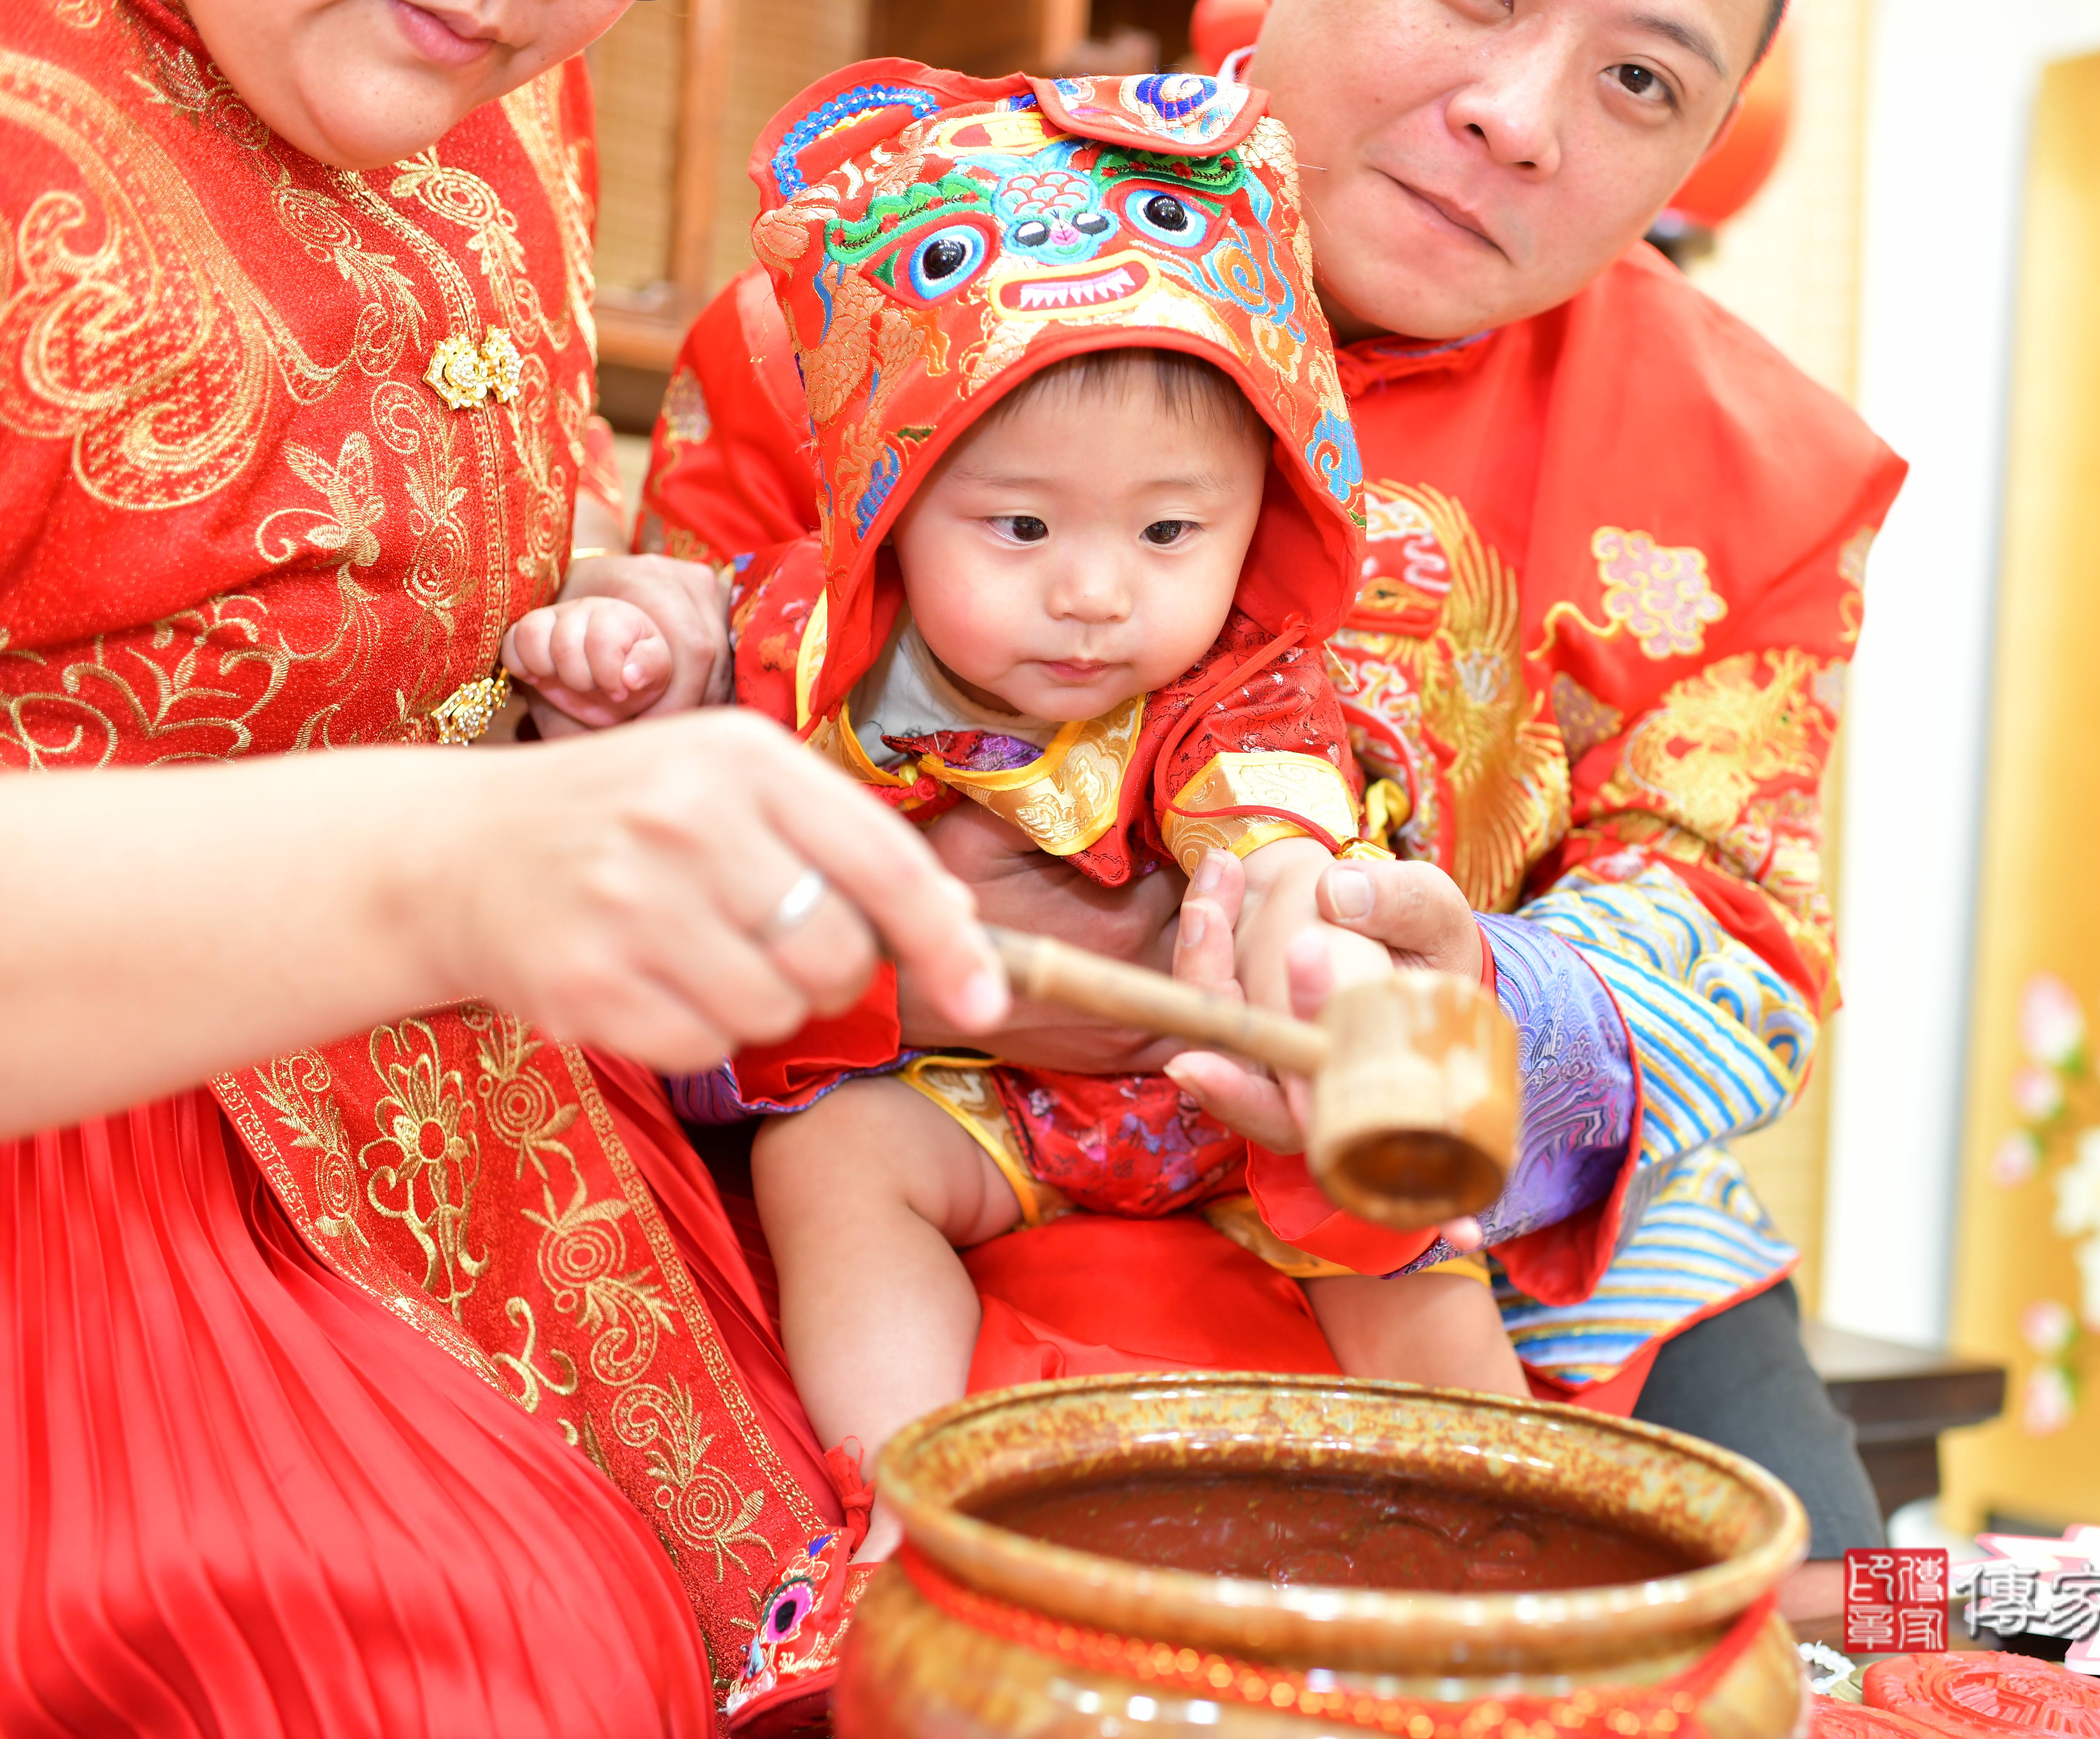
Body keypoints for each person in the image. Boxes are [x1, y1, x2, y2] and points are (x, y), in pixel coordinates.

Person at [634, 0, 1902, 1654]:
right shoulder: (901, 246)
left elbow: (1736, 937)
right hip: (889, 1174)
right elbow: (629, 793)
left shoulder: (1757, 476)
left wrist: (1476, 1022)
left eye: (1641, 79)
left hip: (1481, 1263)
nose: (1521, 118)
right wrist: (897, 974)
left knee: (1874, 1636)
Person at [0, 1, 1009, 1732]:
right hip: (96, 1195)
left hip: (515, 1139)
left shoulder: (459, 58)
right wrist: (456, 862)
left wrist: (600, 621)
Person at [507, 64, 1527, 1598]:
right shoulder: (809, 633)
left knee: (1402, 1245)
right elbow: (698, 689)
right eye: (1023, 527)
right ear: (893, 504)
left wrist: (1304, 942)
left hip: (1218, 1122)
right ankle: (911, 1499)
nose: (1097, 594)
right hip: (982, 1107)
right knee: (835, 1159)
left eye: (1171, 530)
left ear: (1265, 516)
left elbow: (1278, 834)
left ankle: (1522, 1538)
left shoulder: (1241, 686)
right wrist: (629, 656)